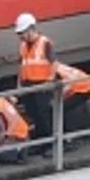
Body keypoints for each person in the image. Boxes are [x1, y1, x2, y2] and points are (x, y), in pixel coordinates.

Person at [13, 12, 58, 150]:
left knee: (43, 115)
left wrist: (50, 81)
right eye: (19, 33)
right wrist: (19, 85)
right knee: (33, 114)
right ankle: (40, 143)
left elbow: (53, 63)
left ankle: (49, 144)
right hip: (28, 85)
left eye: (23, 32)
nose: (21, 36)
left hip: (42, 85)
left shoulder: (45, 43)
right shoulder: (23, 46)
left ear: (32, 28)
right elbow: (21, 66)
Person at [0, 95, 32, 164]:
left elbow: (1, 133)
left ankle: (17, 153)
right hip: (24, 133)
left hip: (15, 137)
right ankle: (19, 150)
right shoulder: (2, 99)